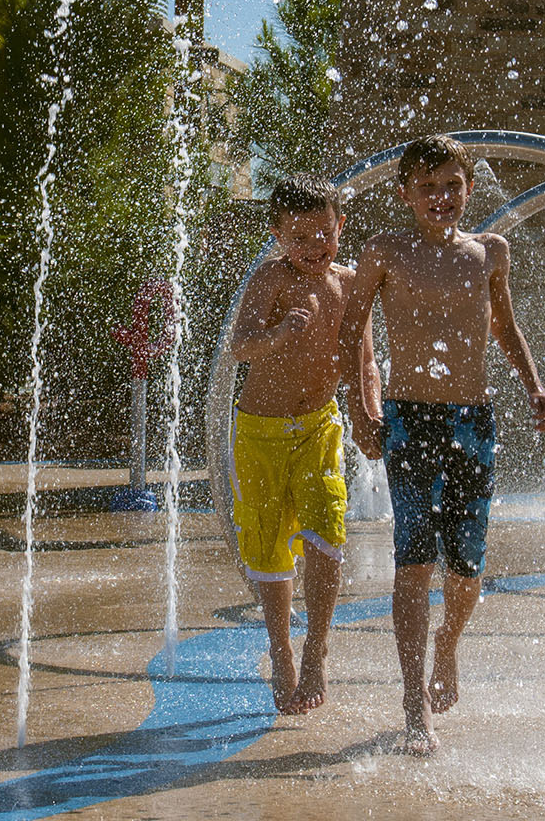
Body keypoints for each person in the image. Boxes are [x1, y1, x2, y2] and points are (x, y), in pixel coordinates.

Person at [336, 134, 545, 756]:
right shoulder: (384, 252)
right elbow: (351, 335)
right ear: (406, 194)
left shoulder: (490, 252)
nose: (441, 198)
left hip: (472, 421)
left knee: (467, 567)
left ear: (468, 188)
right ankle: (415, 707)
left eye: (451, 186)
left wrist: (536, 389)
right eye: (427, 188)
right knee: (413, 561)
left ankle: (448, 648)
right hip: (410, 420)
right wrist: (362, 409)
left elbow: (504, 326)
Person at [225, 172, 383, 714]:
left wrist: (369, 417)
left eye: (323, 233)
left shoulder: (348, 285)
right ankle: (281, 648)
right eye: (299, 237)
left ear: (340, 225)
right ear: (276, 234)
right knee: (269, 544)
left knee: (327, 533)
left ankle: (316, 651)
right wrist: (276, 336)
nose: (314, 246)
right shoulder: (271, 279)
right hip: (262, 432)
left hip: (319, 426)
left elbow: (365, 365)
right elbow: (237, 348)